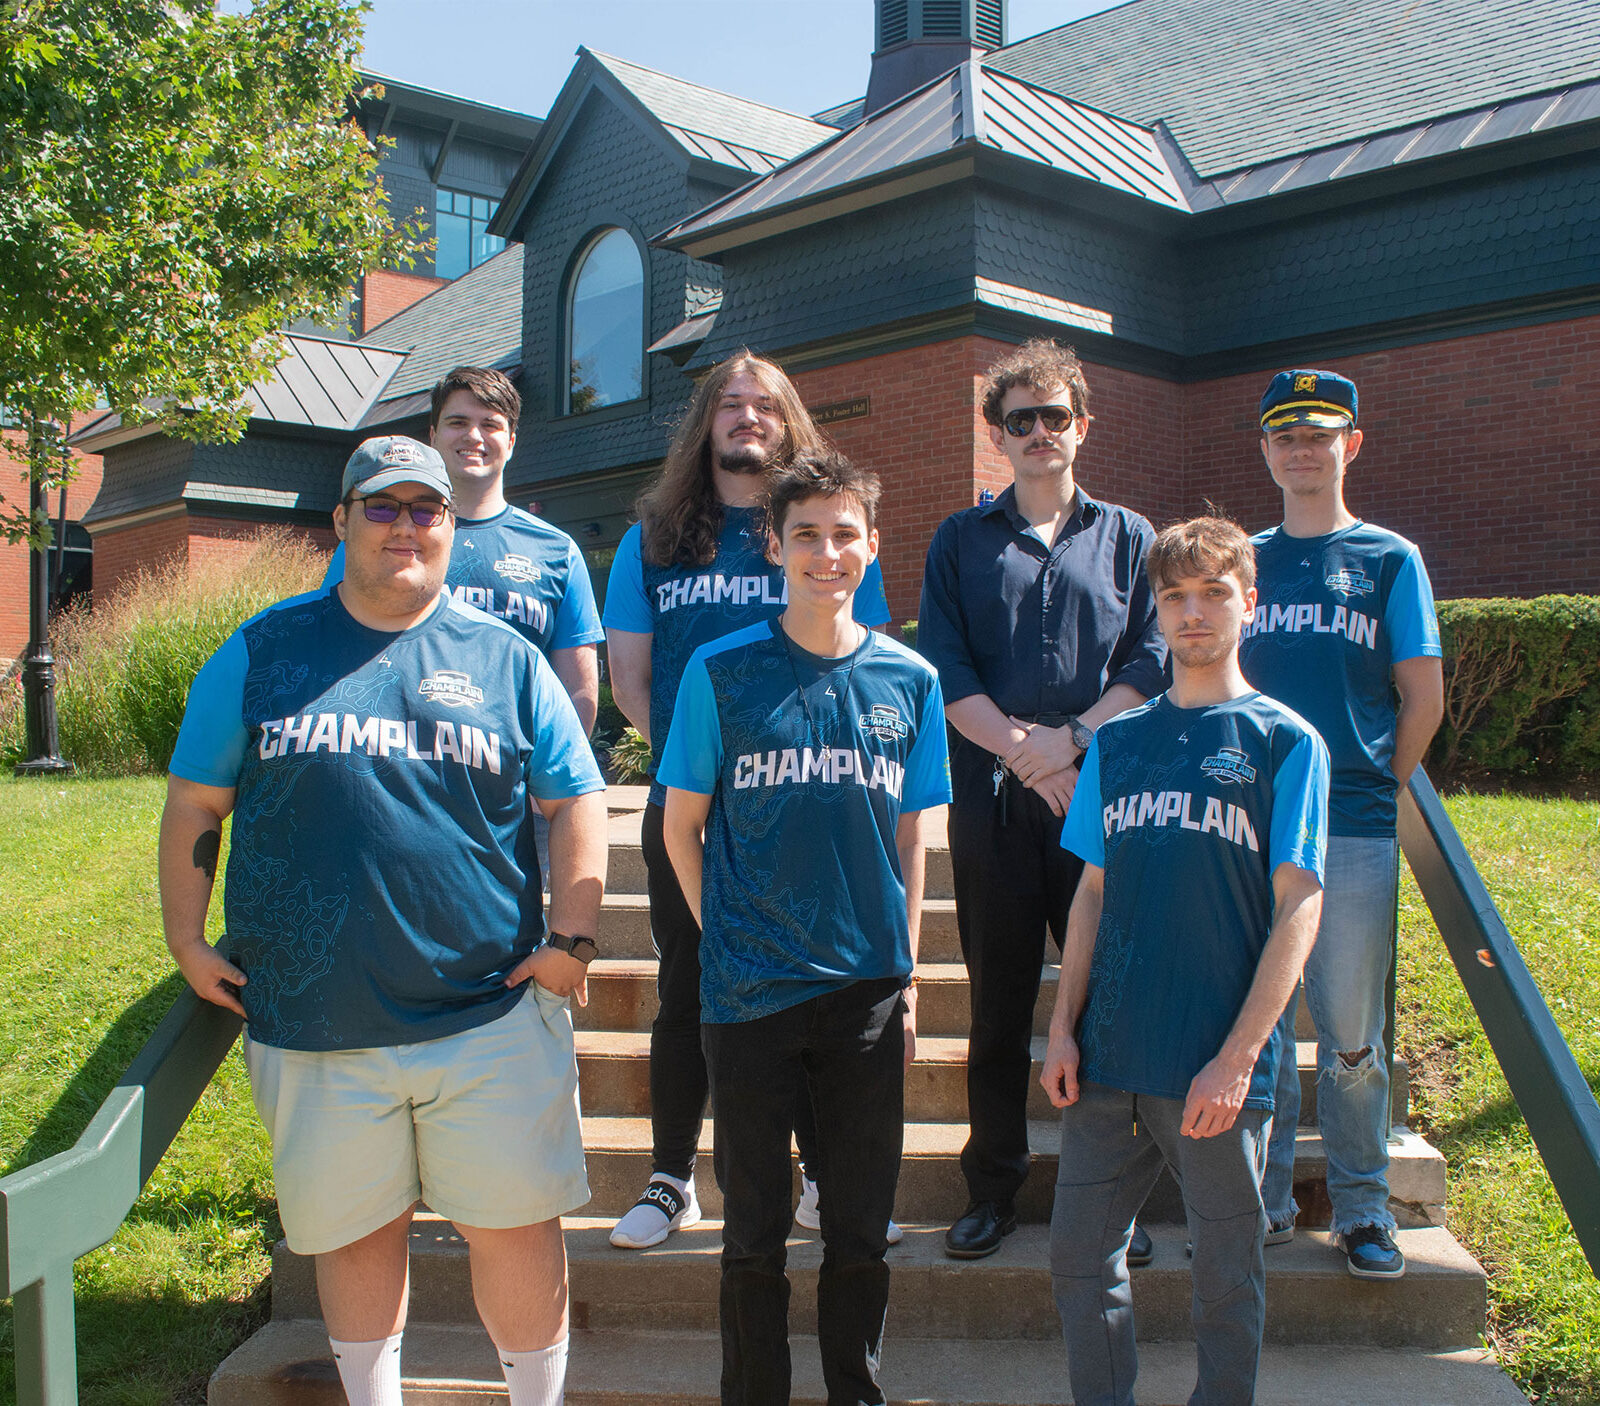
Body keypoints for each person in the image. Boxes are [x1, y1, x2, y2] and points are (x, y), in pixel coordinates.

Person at [161, 435, 608, 1406]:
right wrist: (187, 941)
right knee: (353, 1233)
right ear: (342, 521)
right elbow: (196, 802)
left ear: (452, 525)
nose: (406, 524)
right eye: (384, 505)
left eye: (427, 508)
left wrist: (571, 939)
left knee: (519, 1229)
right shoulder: (261, 650)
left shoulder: (505, 660)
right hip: (318, 1023)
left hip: (488, 1014)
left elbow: (578, 799)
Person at [658, 450, 950, 1406]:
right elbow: (679, 826)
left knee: (860, 1233)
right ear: (776, 546)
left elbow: (913, 838)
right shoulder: (723, 668)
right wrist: (725, 938)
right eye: (807, 536)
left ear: (872, 544)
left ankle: (854, 1394)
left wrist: (904, 974)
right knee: (752, 1239)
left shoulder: (910, 681)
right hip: (748, 998)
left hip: (865, 992)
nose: (828, 553)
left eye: (845, 534)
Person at [603, 350, 892, 1249]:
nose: (745, 416)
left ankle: (811, 1173)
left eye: (763, 404)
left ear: (786, 419)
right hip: (692, 803)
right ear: (705, 423)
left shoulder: (818, 528)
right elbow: (629, 677)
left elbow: (857, 661)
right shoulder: (652, 536)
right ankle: (669, 1179)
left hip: (806, 799)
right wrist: (699, 772)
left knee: (806, 987)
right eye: (727, 403)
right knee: (687, 982)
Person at [1041, 515, 1329, 1406]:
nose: (1193, 613)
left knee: (1225, 1278)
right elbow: (1091, 892)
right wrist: (1060, 1029)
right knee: (1079, 1262)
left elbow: (1299, 908)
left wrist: (1238, 1059)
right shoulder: (1119, 744)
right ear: (1156, 615)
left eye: (1213, 593)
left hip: (1213, 1068)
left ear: (1251, 602)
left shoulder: (1287, 742)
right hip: (1107, 1060)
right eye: (1174, 597)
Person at [918, 338, 1166, 1260]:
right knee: (999, 1004)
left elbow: (1149, 657)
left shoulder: (1132, 538)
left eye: (1052, 416)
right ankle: (992, 1188)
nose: (1036, 434)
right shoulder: (959, 540)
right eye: (1017, 420)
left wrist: (1073, 741)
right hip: (992, 800)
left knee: (1103, 999)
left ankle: (1110, 1199)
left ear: (1081, 427)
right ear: (999, 435)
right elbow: (945, 666)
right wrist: (1028, 753)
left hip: (1098, 801)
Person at [1241, 369, 1444, 1280]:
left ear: (1350, 444)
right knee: (1263, 1025)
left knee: (1353, 1032)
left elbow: (1423, 696)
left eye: (1318, 435)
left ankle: (1363, 1208)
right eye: (1285, 436)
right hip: (1247, 825)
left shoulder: (1390, 559)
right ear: (1266, 452)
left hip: (1353, 828)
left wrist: (1363, 787)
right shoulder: (1243, 559)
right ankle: (1269, 1200)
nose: (1301, 450)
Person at [325, 366, 603, 730]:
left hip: (510, 774)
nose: (474, 436)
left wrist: (551, 781)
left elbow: (578, 694)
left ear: (512, 441)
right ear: (433, 436)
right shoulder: (376, 537)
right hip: (393, 760)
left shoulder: (558, 551)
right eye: (458, 422)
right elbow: (334, 647)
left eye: (490, 425)